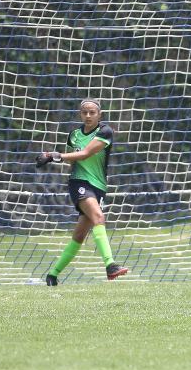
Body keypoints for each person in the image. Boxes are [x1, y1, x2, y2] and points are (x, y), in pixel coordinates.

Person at [38, 99, 128, 284]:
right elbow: (73, 160)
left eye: (92, 112)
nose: (88, 116)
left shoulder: (105, 131)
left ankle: (52, 275)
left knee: (79, 235)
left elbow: (86, 153)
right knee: (98, 217)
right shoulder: (73, 135)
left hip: (99, 186)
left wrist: (55, 156)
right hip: (79, 182)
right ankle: (110, 265)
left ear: (99, 115)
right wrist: (56, 157)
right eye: (84, 112)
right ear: (80, 114)